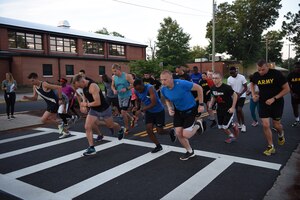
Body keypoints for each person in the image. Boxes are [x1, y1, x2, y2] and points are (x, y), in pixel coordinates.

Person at [72, 74, 125, 156]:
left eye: (79, 86)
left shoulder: (93, 86)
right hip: (94, 110)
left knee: (110, 125)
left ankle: (120, 129)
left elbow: (97, 102)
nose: (79, 88)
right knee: (87, 126)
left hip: (104, 109)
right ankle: (91, 148)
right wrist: (84, 103)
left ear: (82, 81)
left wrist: (86, 105)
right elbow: (85, 96)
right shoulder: (83, 86)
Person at [160, 70, 206, 161]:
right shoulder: (163, 89)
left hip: (190, 109)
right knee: (178, 133)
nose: (163, 82)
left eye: (165, 80)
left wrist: (201, 104)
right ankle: (190, 151)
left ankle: (198, 124)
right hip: (178, 111)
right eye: (161, 80)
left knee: (186, 135)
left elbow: (199, 88)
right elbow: (167, 100)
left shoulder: (182, 84)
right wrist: (169, 108)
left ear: (171, 78)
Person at [250, 59, 290, 156]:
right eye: (259, 70)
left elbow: (287, 89)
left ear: (268, 67)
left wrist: (274, 98)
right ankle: (271, 146)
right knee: (265, 125)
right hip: (263, 103)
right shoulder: (256, 75)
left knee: (276, 125)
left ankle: (281, 134)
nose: (261, 72)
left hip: (277, 103)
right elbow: (252, 83)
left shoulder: (276, 74)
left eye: (263, 70)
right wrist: (254, 94)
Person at [133, 79, 176, 153]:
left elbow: (154, 103)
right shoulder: (136, 90)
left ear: (143, 84)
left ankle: (171, 131)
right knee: (149, 130)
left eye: (140, 89)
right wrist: (137, 107)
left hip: (158, 111)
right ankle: (158, 146)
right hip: (149, 112)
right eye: (137, 89)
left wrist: (141, 110)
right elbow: (138, 100)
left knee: (159, 131)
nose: (139, 91)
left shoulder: (150, 88)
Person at [210, 72, 239, 143]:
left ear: (221, 79)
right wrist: (211, 104)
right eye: (213, 78)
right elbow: (214, 96)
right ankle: (232, 124)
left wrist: (232, 107)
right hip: (219, 109)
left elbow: (235, 96)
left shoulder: (226, 87)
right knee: (220, 126)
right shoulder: (213, 88)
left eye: (216, 78)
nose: (214, 80)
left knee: (225, 126)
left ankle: (232, 136)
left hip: (228, 109)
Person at [111, 63, 134, 134]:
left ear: (119, 70)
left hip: (127, 95)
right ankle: (132, 119)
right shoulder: (114, 77)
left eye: (115, 71)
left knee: (123, 112)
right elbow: (112, 86)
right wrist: (114, 90)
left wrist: (126, 88)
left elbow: (133, 84)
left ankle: (127, 128)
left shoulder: (127, 76)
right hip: (120, 96)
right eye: (113, 71)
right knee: (123, 112)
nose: (114, 73)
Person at [227, 66, 248, 132]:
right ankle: (239, 124)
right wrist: (235, 94)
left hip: (242, 96)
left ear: (236, 71)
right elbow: (230, 89)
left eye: (233, 73)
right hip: (234, 96)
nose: (232, 74)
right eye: (231, 73)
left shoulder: (242, 77)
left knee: (239, 109)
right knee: (236, 110)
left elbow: (245, 87)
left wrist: (240, 94)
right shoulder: (229, 79)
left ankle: (244, 125)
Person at [287, 62, 300, 127]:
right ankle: (297, 119)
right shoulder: (291, 75)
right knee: (295, 108)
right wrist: (292, 93)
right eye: (296, 67)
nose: (297, 68)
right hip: (294, 94)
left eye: (298, 67)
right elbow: (288, 85)